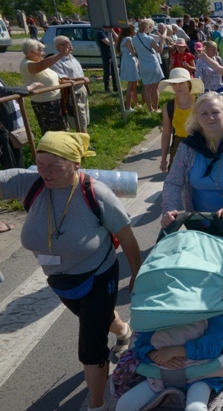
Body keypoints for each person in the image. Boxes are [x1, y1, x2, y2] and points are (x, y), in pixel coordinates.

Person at [0, 131, 142, 411]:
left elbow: (127, 238)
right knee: (98, 319)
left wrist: (137, 274)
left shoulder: (96, 193)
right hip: (60, 281)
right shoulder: (31, 184)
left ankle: (97, 405)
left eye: (54, 165)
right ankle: (124, 331)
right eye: (40, 163)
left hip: (99, 276)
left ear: (76, 164)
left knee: (91, 345)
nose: (45, 171)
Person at [160, 92, 223, 297]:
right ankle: (215, 300)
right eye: (204, 113)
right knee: (207, 262)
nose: (210, 118)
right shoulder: (188, 146)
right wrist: (170, 209)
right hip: (201, 219)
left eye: (216, 112)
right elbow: (173, 181)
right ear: (196, 118)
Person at [115, 313, 223, 411]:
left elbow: (217, 343)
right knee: (124, 404)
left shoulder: (213, 305)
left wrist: (180, 350)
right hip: (159, 373)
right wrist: (152, 354)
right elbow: (140, 342)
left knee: (195, 408)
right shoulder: (161, 304)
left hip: (201, 374)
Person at [19, 39, 70, 133]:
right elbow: (41, 66)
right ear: (31, 52)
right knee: (53, 133)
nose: (43, 53)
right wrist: (61, 54)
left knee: (62, 130)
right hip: (45, 104)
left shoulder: (37, 61)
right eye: (40, 51)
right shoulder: (27, 64)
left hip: (55, 102)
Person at [159, 68, 204, 172]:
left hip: (199, 146)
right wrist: (163, 159)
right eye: (174, 84)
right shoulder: (168, 107)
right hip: (179, 147)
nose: (178, 86)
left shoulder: (200, 103)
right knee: (178, 182)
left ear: (188, 84)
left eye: (181, 83)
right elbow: (166, 134)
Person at [49, 36, 91, 132]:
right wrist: (81, 79)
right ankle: (82, 141)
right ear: (58, 47)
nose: (69, 45)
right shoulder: (57, 60)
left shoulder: (72, 57)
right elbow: (62, 78)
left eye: (69, 43)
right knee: (78, 116)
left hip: (82, 88)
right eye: (65, 44)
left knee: (84, 114)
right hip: (72, 91)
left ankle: (85, 139)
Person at [0, 79, 43, 169]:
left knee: (17, 156)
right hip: (3, 129)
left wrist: (15, 98)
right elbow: (3, 91)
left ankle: (21, 177)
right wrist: (27, 88)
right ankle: (14, 180)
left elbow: (5, 91)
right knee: (10, 162)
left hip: (9, 124)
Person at [132, 19, 164, 113]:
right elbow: (159, 50)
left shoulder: (134, 38)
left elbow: (136, 52)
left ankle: (150, 109)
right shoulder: (150, 39)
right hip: (153, 64)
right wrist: (162, 41)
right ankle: (156, 108)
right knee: (155, 88)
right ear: (148, 27)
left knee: (146, 88)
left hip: (143, 65)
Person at [116, 25, 140, 112]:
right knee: (130, 86)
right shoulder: (128, 39)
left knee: (134, 85)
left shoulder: (122, 38)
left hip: (127, 61)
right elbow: (133, 52)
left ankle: (135, 103)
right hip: (130, 62)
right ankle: (127, 107)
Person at [95, 27, 118, 92]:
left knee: (115, 71)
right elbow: (108, 43)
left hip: (112, 53)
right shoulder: (100, 32)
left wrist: (112, 31)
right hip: (106, 54)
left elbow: (117, 39)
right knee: (107, 71)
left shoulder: (109, 32)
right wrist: (114, 42)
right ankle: (107, 88)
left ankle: (115, 87)